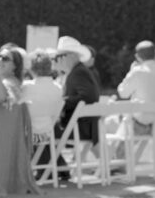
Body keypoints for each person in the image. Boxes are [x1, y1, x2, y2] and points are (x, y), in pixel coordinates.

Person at [0, 46, 40, 196]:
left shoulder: (12, 81)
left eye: (5, 58)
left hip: (2, 132)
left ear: (15, 66)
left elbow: (1, 99)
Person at [53, 35, 101, 179]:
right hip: (83, 127)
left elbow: (87, 97)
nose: (58, 60)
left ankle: (56, 171)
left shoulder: (78, 72)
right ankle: (60, 169)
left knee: (40, 134)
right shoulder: (77, 71)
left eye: (60, 56)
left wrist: (62, 102)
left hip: (79, 128)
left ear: (70, 56)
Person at [22, 50, 64, 180]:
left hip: (28, 135)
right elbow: (55, 115)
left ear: (31, 68)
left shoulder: (26, 87)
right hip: (47, 134)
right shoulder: (58, 88)